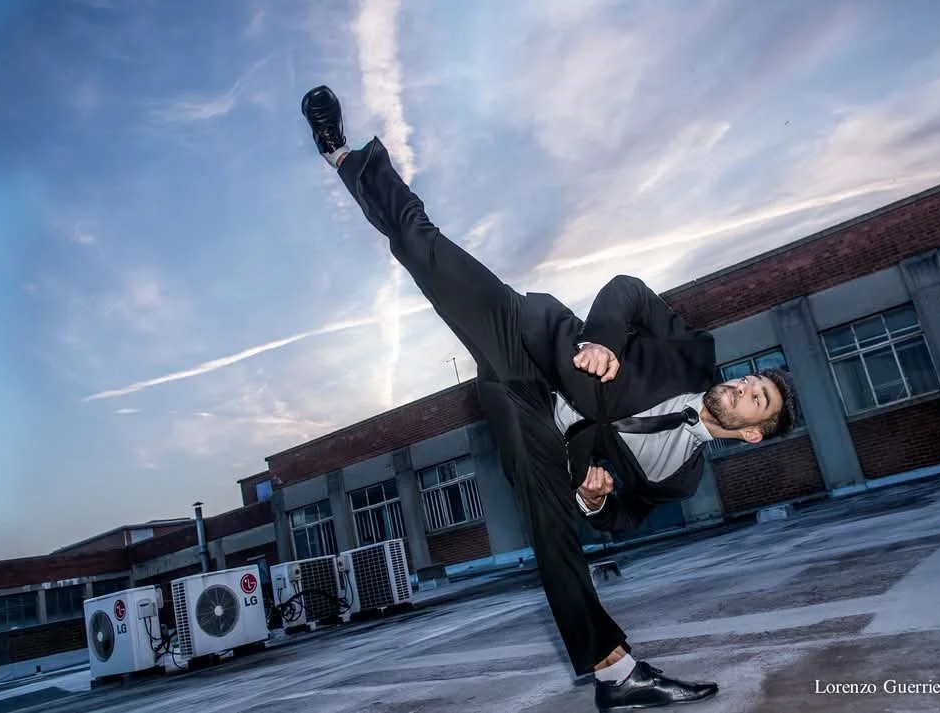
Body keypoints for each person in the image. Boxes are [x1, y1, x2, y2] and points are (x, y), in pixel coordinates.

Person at [301, 85, 797, 711]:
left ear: (751, 432)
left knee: (552, 521)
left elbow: (620, 520)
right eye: (753, 380)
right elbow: (627, 290)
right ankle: (341, 154)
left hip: (533, 418)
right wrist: (604, 342)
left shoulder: (681, 476)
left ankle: (617, 677)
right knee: (423, 247)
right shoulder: (694, 354)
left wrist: (594, 499)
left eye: (757, 399)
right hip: (531, 339)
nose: (744, 386)